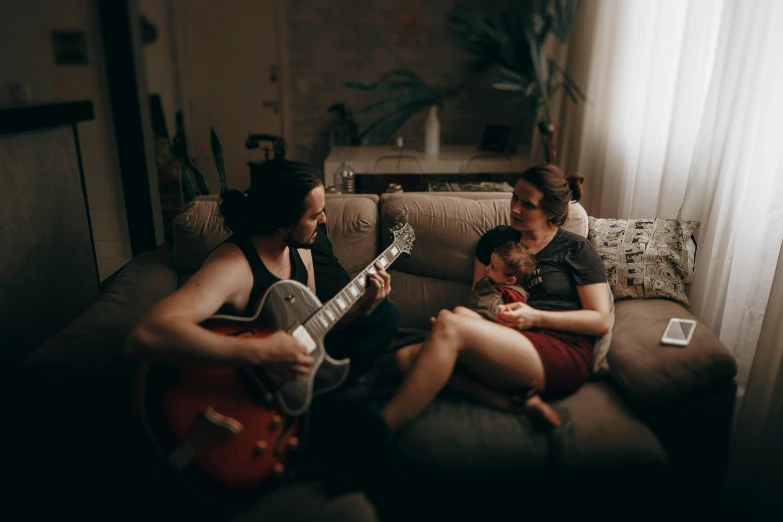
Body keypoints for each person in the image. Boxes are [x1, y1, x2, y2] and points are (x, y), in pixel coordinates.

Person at [382, 164, 612, 431]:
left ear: (550, 211)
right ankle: (517, 404)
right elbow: (479, 297)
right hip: (506, 335)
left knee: (448, 324)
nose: (515, 208)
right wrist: (474, 324)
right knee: (405, 359)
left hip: (560, 348)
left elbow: (600, 320)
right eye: (515, 197)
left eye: (528, 204)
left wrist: (534, 316)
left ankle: (383, 426)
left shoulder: (576, 249)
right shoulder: (496, 240)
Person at [125, 159, 395, 381]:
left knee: (383, 315)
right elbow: (147, 333)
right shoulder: (232, 267)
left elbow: (308, 326)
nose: (324, 219)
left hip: (288, 380)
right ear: (283, 225)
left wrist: (361, 310)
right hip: (241, 389)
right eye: (314, 215)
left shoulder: (300, 249)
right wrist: (260, 351)